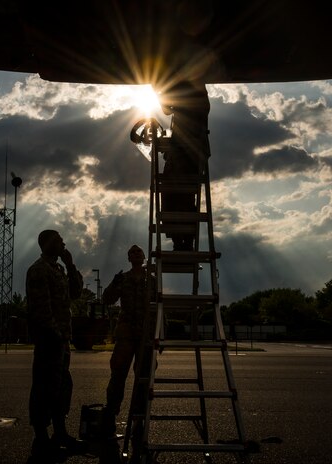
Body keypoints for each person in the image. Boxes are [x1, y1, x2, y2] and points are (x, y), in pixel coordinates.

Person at [26, 229, 85, 462]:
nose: (63, 244)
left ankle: (60, 434)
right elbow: (41, 310)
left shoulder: (58, 269)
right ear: (48, 244)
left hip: (61, 341)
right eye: (59, 241)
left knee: (61, 388)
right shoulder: (39, 270)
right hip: (49, 340)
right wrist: (56, 335)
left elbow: (76, 293)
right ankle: (41, 439)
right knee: (43, 389)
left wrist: (70, 265)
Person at [101, 245, 155, 436]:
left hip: (145, 336)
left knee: (143, 379)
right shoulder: (122, 279)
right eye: (132, 252)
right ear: (128, 258)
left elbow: (160, 305)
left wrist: (159, 335)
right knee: (117, 376)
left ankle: (139, 419)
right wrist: (114, 284)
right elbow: (106, 299)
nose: (136, 254)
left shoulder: (152, 280)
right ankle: (110, 415)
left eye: (139, 251)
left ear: (144, 257)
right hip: (125, 334)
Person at [159, 80, 211, 251]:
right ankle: (180, 239)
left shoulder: (195, 94)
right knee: (175, 196)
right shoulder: (194, 91)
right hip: (184, 151)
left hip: (188, 152)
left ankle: (184, 240)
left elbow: (167, 109)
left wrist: (164, 95)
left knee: (181, 196)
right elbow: (167, 109)